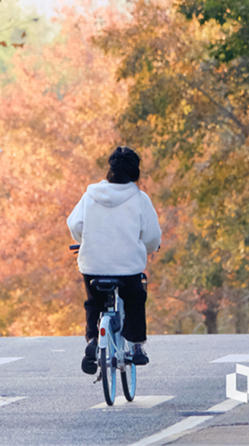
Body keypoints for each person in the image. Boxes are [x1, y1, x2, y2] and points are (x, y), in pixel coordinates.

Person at [67, 146, 161, 374]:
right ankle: (137, 346)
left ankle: (92, 341)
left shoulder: (90, 196)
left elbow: (74, 224)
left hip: (93, 266)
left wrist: (85, 240)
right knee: (135, 300)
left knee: (94, 303)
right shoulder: (140, 199)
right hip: (128, 269)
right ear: (135, 172)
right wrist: (148, 248)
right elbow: (151, 236)